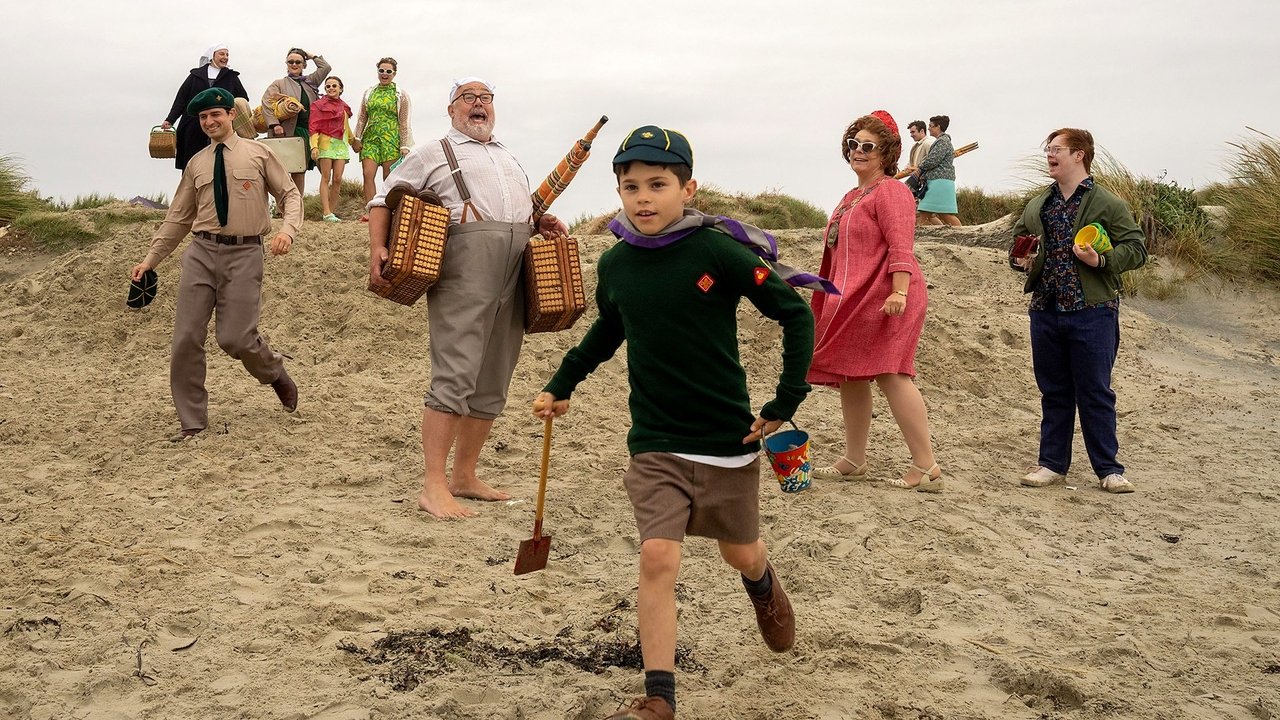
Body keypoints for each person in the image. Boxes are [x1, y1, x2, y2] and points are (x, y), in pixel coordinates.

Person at [534, 125, 822, 720]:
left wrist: (784, 402)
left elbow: (795, 314)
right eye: (631, 186)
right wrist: (562, 383)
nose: (643, 198)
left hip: (726, 441)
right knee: (658, 557)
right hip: (656, 442)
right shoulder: (616, 263)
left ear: (687, 189)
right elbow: (608, 330)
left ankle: (763, 583)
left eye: (658, 184)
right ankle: (659, 698)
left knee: (740, 554)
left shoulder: (718, 251)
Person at [366, 77, 567, 519]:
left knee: (494, 375)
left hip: (515, 263)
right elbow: (382, 199)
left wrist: (541, 222)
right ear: (452, 109)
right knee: (456, 371)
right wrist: (378, 248)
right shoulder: (432, 151)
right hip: (464, 263)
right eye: (468, 98)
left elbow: (519, 211)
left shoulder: (508, 156)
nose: (478, 104)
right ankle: (433, 486)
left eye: (485, 98)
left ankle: (464, 476)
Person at [131, 88, 303, 440]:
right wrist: (151, 260)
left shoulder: (259, 153)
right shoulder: (196, 163)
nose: (209, 122)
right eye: (203, 117)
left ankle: (274, 372)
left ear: (230, 115)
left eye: (215, 115)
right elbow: (179, 217)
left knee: (235, 338)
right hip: (201, 252)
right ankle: (192, 421)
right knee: (186, 338)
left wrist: (287, 230)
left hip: (245, 254)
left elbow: (289, 194)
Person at [809, 111, 944, 492]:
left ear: (886, 153)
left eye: (868, 146)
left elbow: (902, 245)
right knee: (849, 372)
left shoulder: (892, 191)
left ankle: (927, 467)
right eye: (854, 144)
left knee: (892, 373)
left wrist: (899, 291)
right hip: (853, 296)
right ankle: (855, 459)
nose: (859, 151)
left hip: (888, 294)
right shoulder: (852, 196)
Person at [1010, 128, 1147, 494]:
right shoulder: (1039, 203)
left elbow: (1136, 248)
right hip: (1045, 308)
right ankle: (1052, 465)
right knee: (1054, 392)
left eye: (1057, 149)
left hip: (1093, 311)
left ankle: (1109, 470)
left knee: (1095, 392)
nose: (1049, 155)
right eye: (1048, 149)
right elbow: (1019, 244)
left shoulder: (1107, 203)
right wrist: (1021, 258)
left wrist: (1101, 259)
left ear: (1079, 155)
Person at [161, 43, 249, 171]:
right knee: (192, 163)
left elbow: (242, 99)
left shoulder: (231, 77)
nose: (225, 57)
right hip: (193, 126)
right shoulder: (195, 76)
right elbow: (181, 99)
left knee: (221, 163)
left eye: (227, 54)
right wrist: (170, 120)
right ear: (212, 56)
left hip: (220, 126)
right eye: (222, 54)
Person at [263, 47, 331, 197]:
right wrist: (274, 124)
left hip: (306, 132)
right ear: (286, 64)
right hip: (286, 132)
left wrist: (311, 55)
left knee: (299, 171)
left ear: (304, 65)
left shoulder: (311, 82)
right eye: (291, 62)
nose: (294, 64)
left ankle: (297, 204)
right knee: (282, 172)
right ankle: (283, 205)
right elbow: (266, 103)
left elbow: (325, 67)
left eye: (298, 62)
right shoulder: (279, 83)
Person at [354, 57, 414, 222]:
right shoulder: (369, 92)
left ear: (394, 74)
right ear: (378, 72)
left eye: (388, 71)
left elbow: (404, 121)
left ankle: (389, 211)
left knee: (389, 177)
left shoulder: (400, 94)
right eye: (381, 70)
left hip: (391, 139)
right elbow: (362, 117)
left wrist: (405, 145)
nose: (384, 74)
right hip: (371, 138)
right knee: (368, 174)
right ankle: (371, 210)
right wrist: (357, 137)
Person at [309, 76, 355, 222]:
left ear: (340, 88)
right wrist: (314, 146)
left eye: (334, 86)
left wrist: (353, 141)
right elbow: (314, 127)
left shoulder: (344, 107)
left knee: (337, 179)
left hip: (341, 145)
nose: (331, 88)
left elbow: (346, 127)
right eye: (328, 86)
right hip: (326, 144)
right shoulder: (318, 106)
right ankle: (326, 212)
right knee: (325, 177)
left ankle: (332, 212)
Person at [913, 115, 961, 226]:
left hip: (939, 182)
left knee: (934, 213)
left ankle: (964, 233)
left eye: (930, 126)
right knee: (930, 213)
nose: (928, 128)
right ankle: (962, 233)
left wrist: (920, 166)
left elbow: (932, 160)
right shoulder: (942, 141)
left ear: (938, 127)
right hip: (939, 181)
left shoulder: (942, 141)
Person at [898, 120, 934, 196]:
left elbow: (933, 162)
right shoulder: (916, 146)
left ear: (922, 131)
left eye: (913, 132)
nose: (911, 135)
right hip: (916, 180)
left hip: (925, 182)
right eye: (910, 132)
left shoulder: (928, 143)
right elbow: (910, 164)